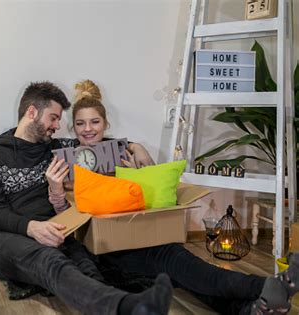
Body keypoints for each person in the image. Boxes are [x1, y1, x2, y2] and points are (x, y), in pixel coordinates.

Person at [44, 79, 299, 315]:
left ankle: (252, 308)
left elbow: (152, 199)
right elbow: (65, 217)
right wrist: (56, 191)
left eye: (95, 122)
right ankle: (266, 285)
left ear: (106, 124)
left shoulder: (123, 152)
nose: (88, 129)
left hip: (141, 232)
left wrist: (136, 167)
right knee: (177, 263)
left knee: (183, 269)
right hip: (106, 248)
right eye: (80, 123)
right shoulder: (66, 159)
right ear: (73, 127)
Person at [0, 81, 173, 315]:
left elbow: (99, 146)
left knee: (86, 263)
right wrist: (32, 228)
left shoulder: (58, 149)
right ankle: (127, 307)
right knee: (48, 259)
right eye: (53, 118)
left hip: (57, 229)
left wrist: (136, 146)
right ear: (32, 112)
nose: (58, 126)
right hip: (5, 236)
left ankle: (120, 304)